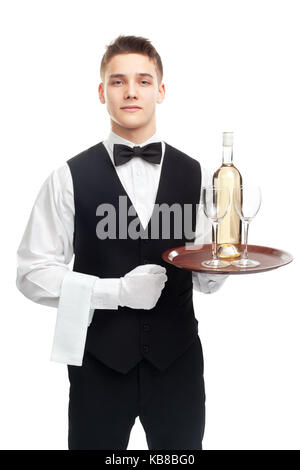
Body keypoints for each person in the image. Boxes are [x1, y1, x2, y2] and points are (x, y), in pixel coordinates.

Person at [16, 35, 228, 450]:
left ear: (161, 91)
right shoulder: (67, 177)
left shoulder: (198, 174)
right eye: (118, 81)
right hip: (99, 365)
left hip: (178, 363)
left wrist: (224, 256)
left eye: (144, 81)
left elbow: (207, 279)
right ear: (102, 92)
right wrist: (115, 292)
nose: (131, 91)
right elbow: (31, 273)